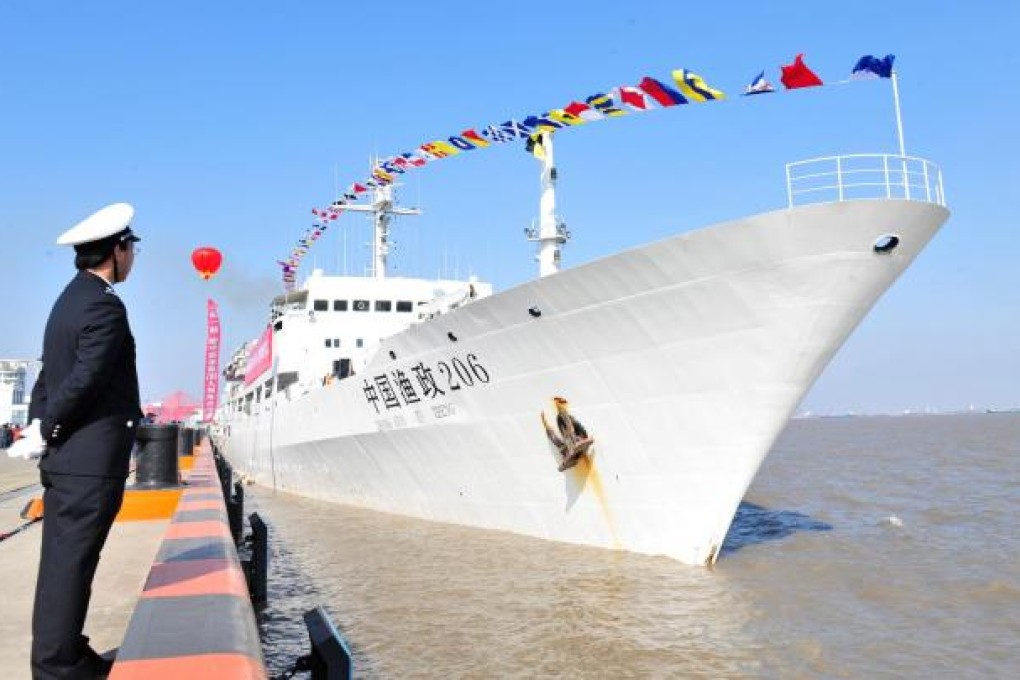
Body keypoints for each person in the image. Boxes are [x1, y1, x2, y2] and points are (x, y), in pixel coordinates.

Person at [27, 203, 142, 679]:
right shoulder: (104, 305)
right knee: (71, 566)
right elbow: (84, 380)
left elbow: (47, 379)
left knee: (63, 564)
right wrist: (49, 426)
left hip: (68, 458)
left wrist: (41, 427)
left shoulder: (68, 300)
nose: (133, 257)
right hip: (87, 461)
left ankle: (68, 653)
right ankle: (57, 667)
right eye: (130, 248)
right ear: (116, 251)